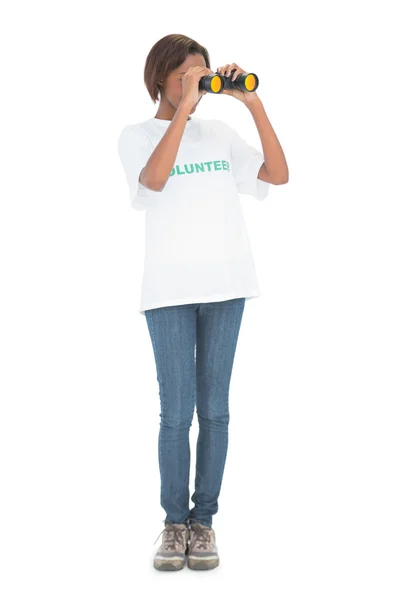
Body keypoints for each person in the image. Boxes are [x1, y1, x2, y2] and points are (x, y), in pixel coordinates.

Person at [117, 33, 289, 571]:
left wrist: (252, 103)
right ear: (160, 80)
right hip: (169, 294)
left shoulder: (219, 133)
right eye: (184, 77)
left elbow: (277, 174)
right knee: (177, 414)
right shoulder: (137, 135)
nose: (194, 85)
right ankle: (174, 525)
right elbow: (154, 180)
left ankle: (204, 523)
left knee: (215, 412)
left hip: (227, 288)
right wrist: (182, 113)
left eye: (201, 76)